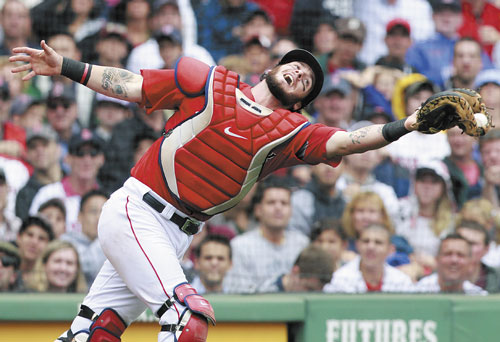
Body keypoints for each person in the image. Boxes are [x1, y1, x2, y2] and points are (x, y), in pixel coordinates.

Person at [9, 39, 465, 342]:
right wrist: (65, 67)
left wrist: (408, 125)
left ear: (302, 101)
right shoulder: (208, 81)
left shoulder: (291, 131)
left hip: (177, 234)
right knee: (189, 320)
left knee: (96, 331)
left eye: (308, 78)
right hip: (136, 210)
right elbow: (133, 85)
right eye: (295, 65)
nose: (300, 72)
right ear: (274, 67)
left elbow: (347, 140)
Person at [224, 176, 310, 294]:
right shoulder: (240, 246)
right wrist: (279, 285)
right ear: (258, 210)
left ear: (291, 210)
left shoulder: (302, 244)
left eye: (284, 203)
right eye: (271, 202)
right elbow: (237, 291)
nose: (278, 208)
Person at [28, 129, 105, 232]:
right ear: (67, 159)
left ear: (102, 159)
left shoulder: (108, 200)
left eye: (93, 153)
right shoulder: (47, 194)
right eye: (80, 153)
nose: (87, 160)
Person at [323, 224, 414, 293]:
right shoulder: (340, 278)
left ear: (390, 250)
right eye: (366, 241)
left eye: (378, 242)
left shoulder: (401, 281)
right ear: (357, 245)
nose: (371, 247)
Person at [61, 189, 109, 287]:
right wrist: (105, 236)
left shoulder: (117, 244)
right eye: (93, 211)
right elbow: (87, 268)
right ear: (80, 216)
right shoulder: (66, 242)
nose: (98, 217)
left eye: (104, 212)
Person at [15, 126, 63, 221]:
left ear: (58, 149)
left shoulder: (74, 181)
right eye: (33, 147)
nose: (39, 150)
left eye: (45, 145)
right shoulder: (24, 194)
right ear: (27, 154)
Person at [415, 233, 487, 294]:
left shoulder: (479, 297)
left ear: (470, 261)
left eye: (460, 255)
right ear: (437, 259)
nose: (454, 260)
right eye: (448, 254)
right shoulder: (417, 292)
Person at [289, 162, 346, 237]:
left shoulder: (347, 201)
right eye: (323, 162)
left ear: (344, 167)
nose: (329, 167)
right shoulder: (298, 200)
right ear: (312, 167)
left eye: (335, 161)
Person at [258, 244, 334, 293]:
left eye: (320, 291)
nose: (314, 297)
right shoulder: (266, 293)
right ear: (295, 272)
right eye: (309, 289)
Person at [443, 125, 482, 209]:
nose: (458, 140)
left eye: (463, 134)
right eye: (452, 135)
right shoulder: (440, 169)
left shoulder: (483, 168)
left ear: (475, 138)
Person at [456, 220, 500, 293]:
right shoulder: (436, 277)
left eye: (472, 243)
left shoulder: (497, 278)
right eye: (461, 241)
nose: (465, 247)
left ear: (486, 249)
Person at [15, 215, 54, 287]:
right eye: (30, 235)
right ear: (18, 237)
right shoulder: (4, 269)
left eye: (41, 238)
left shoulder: (52, 278)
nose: (34, 242)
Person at [479, 129, 500, 211]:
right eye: (487, 152)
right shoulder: (478, 177)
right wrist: (488, 184)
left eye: (498, 151)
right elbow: (489, 213)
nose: (493, 156)